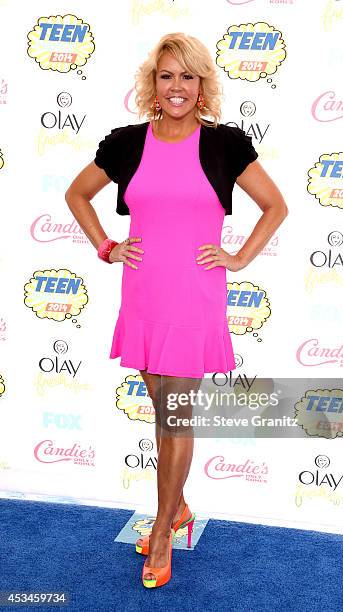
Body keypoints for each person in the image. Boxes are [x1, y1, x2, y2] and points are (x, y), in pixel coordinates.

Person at [65, 32, 288, 589]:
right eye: (167, 76)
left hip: (194, 295)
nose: (177, 87)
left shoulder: (225, 144)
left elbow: (275, 205)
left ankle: (163, 531)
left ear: (202, 84)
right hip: (142, 294)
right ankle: (179, 507)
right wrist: (106, 247)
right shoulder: (126, 143)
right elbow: (76, 194)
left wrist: (238, 258)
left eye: (188, 77)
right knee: (162, 418)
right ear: (153, 83)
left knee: (175, 419)